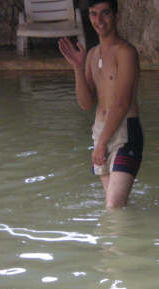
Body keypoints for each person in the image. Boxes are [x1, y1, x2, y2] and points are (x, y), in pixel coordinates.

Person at [58, 0, 142, 209]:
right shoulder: (92, 54)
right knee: (117, 205)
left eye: (105, 13)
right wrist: (78, 68)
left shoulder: (126, 52)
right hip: (100, 131)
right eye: (93, 14)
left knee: (113, 205)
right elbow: (85, 103)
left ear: (116, 16)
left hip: (125, 132)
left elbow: (122, 103)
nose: (99, 20)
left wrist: (102, 143)